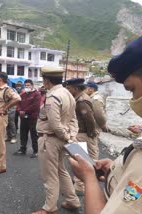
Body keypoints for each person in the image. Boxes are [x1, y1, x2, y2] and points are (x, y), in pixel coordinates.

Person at [69, 36, 142, 214]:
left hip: (89, 133)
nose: (133, 100)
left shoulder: (88, 100)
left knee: (90, 158)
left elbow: (95, 117)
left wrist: (89, 178)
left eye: (132, 89)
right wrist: (116, 168)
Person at [33, 67, 81, 214]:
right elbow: (73, 120)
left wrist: (67, 136)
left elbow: (54, 124)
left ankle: (49, 208)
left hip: (50, 139)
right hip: (62, 138)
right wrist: (71, 135)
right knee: (61, 170)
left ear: (46, 81)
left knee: (50, 175)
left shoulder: (52, 96)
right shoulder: (68, 94)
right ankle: (73, 200)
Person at [64, 78, 99, 195]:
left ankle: (81, 187)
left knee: (85, 160)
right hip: (81, 133)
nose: (67, 90)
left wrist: (91, 134)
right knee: (81, 159)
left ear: (75, 88)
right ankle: (81, 184)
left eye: (69, 88)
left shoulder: (81, 101)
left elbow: (89, 119)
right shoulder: (79, 98)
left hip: (84, 134)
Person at [14, 79, 41, 158]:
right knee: (23, 134)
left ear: (32, 86)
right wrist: (20, 111)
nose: (27, 87)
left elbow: (35, 106)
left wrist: (24, 111)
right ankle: (23, 149)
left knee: (34, 135)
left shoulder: (36, 94)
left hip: (32, 118)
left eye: (28, 85)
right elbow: (18, 103)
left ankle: (36, 151)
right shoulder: (23, 94)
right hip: (23, 118)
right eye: (25, 85)